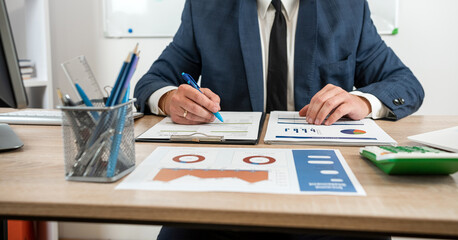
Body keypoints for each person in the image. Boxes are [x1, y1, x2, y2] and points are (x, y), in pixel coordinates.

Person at [134, 0, 424, 239]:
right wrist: (169, 99)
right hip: (225, 186)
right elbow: (152, 82)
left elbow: (405, 83)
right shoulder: (206, 7)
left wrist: (361, 100)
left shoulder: (347, 7)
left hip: (323, 187)